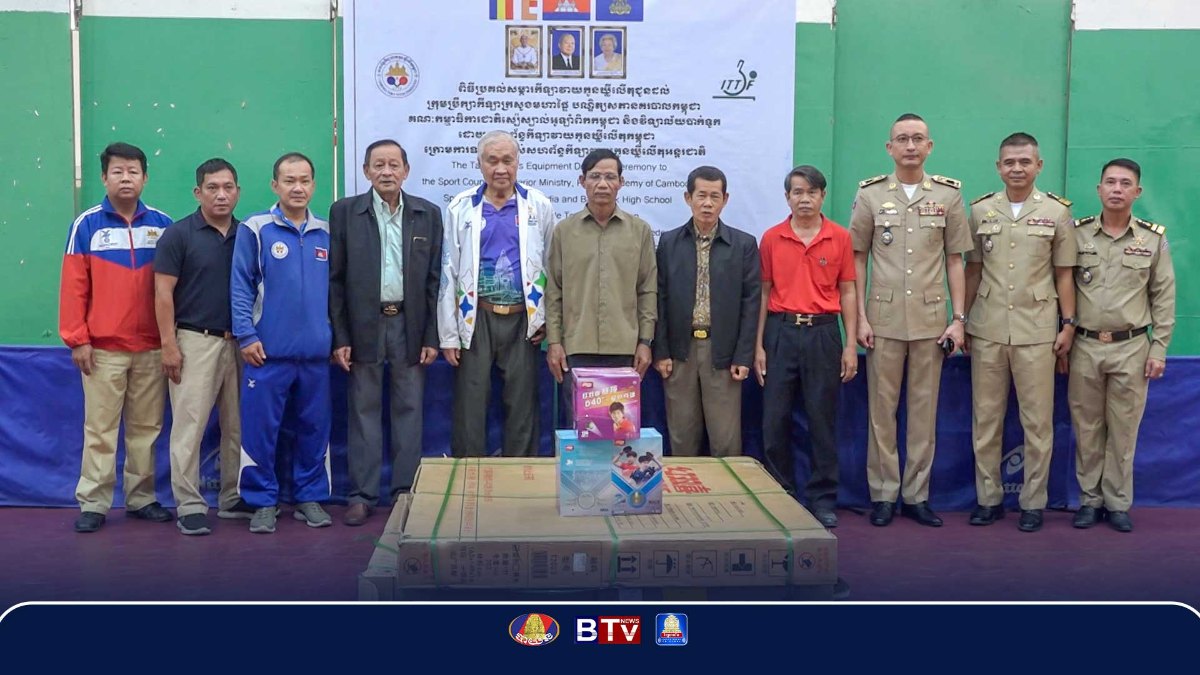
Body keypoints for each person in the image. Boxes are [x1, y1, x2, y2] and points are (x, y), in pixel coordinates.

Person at [850, 113, 971, 528]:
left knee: (923, 412)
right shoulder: (869, 194)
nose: (910, 146)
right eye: (902, 139)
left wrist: (958, 320)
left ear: (929, 146)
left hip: (930, 322)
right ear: (890, 148)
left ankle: (916, 495)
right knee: (881, 413)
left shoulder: (949, 196)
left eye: (918, 139)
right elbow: (858, 259)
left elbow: (955, 261)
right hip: (882, 320)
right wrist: (860, 317)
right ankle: (884, 494)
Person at [963, 133, 1077, 533]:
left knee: (1037, 423)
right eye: (1009, 162)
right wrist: (962, 320)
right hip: (988, 328)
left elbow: (1064, 274)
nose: (1017, 168)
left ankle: (1033, 502)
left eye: (1025, 162)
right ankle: (988, 499)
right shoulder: (980, 210)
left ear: (1038, 166)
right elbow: (972, 270)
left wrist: (1068, 324)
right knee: (986, 419)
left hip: (1037, 329)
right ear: (998, 167)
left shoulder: (1057, 213)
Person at [60, 142, 174, 533]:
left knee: (147, 429)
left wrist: (170, 341)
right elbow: (73, 287)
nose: (126, 178)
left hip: (152, 349)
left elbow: (176, 287)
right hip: (102, 350)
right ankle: (94, 502)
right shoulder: (86, 225)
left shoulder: (163, 225)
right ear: (104, 177)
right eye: (118, 171)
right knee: (100, 431)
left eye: (133, 171)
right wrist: (78, 339)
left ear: (145, 177)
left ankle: (141, 498)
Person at [330, 140, 442, 526]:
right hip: (364, 325)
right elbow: (335, 280)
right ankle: (362, 495)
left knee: (409, 410)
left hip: (409, 325)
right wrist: (341, 337)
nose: (387, 172)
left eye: (394, 165)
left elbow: (434, 282)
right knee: (363, 410)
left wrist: (431, 336)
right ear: (366, 171)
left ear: (406, 171)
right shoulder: (346, 212)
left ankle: (404, 492)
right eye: (378, 165)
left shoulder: (427, 214)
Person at [1065, 158, 1175, 533]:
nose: (1116, 189)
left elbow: (1163, 297)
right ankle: (1089, 501)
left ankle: (1117, 503)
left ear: (1137, 192)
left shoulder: (1152, 239)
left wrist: (1159, 348)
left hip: (1132, 348)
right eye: (1110, 182)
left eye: (1125, 183)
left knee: (1124, 430)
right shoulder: (1076, 234)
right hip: (1084, 346)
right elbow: (1060, 289)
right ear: (1098, 189)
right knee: (1087, 428)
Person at [231, 152, 333, 534]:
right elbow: (240, 286)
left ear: (314, 185)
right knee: (260, 432)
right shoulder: (256, 228)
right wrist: (246, 335)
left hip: (316, 356)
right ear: (275, 185)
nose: (298, 188)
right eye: (289, 180)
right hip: (266, 354)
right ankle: (261, 501)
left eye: (304, 180)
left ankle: (310, 497)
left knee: (314, 431)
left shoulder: (326, 233)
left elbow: (337, 294)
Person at [439, 131, 554, 458]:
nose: (500, 168)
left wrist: (546, 318)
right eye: (492, 161)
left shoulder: (539, 205)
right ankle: (468, 472)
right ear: (480, 164)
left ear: (518, 163)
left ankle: (519, 474)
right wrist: (449, 335)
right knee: (471, 401)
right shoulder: (461, 207)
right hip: (477, 317)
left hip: (523, 319)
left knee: (522, 402)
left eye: (507, 160)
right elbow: (448, 271)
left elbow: (550, 265)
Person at [755, 165, 857, 528]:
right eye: (797, 192)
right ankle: (779, 494)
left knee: (822, 420)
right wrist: (758, 346)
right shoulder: (771, 238)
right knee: (774, 419)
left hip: (823, 333)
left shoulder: (839, 237)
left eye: (812, 192)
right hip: (780, 332)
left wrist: (849, 345)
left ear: (823, 196)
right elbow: (763, 293)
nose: (805, 199)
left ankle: (822, 498)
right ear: (787, 197)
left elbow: (848, 291)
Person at [153, 158, 245, 536]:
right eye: (212, 188)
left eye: (228, 187)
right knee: (189, 427)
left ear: (237, 191)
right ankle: (190, 505)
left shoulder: (247, 235)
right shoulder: (178, 235)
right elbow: (162, 293)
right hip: (194, 341)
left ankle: (232, 496)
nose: (221, 195)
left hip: (240, 343)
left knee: (237, 426)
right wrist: (169, 345)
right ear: (198, 192)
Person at [654, 165, 759, 457]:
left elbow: (751, 303)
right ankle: (685, 488)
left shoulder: (743, 244)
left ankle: (726, 489)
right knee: (682, 437)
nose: (708, 203)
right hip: (680, 352)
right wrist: (661, 351)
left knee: (725, 439)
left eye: (715, 196)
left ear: (725, 199)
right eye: (701, 195)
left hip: (722, 352)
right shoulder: (669, 242)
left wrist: (743, 356)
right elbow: (659, 298)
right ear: (688, 198)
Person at [545, 149, 656, 391]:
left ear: (621, 182)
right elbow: (553, 290)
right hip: (576, 348)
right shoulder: (564, 231)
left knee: (621, 415)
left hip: (626, 349)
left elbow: (647, 290)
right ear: (582, 181)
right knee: (578, 416)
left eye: (610, 177)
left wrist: (645, 341)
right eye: (595, 176)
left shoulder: (639, 231)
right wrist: (554, 341)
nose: (602, 184)